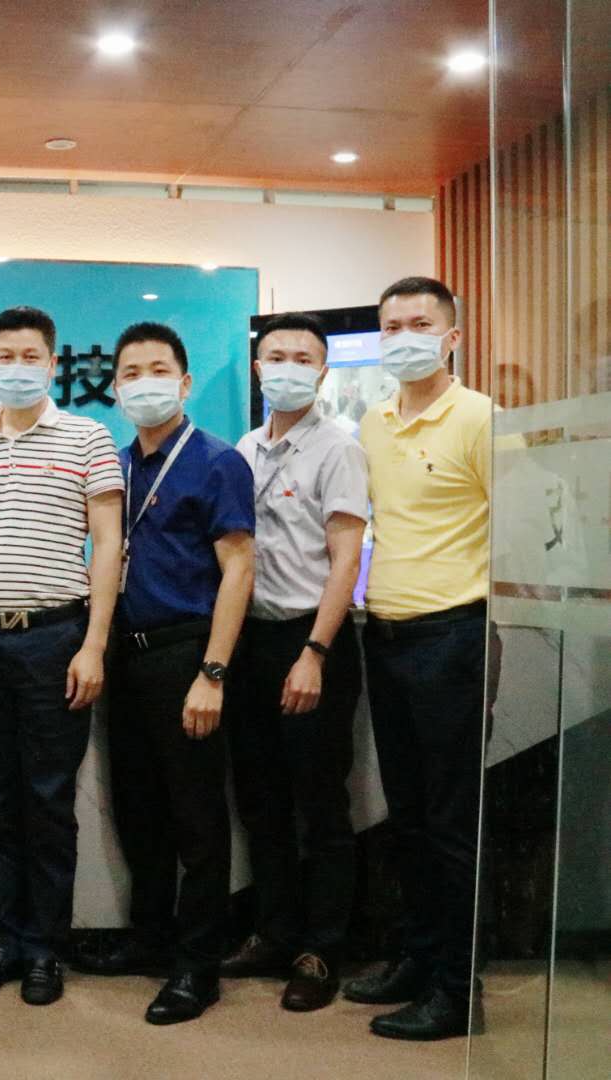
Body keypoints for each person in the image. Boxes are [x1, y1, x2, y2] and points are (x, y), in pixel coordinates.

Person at [0, 306, 124, 1006]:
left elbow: (108, 543)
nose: (17, 367)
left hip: (56, 638)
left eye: (30, 356)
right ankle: (1, 940)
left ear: (52, 362)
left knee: (48, 800)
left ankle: (44, 949)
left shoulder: (88, 437)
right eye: (4, 356)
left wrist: (94, 644)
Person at [77, 321, 255, 1027]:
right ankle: (149, 938)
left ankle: (196, 966)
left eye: (157, 370)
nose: (143, 383)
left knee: (196, 819)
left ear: (183, 383)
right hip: (125, 654)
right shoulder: (115, 467)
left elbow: (238, 568)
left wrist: (213, 672)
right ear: (114, 388)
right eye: (130, 373)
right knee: (138, 809)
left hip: (186, 652)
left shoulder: (216, 461)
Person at [342, 276, 492, 1040]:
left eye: (418, 323)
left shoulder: (480, 419)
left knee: (448, 824)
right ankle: (416, 957)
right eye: (391, 325)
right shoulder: (372, 422)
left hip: (452, 636)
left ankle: (456, 990)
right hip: (386, 634)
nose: (403, 337)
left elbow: (526, 523)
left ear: (450, 337)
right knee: (405, 818)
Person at [220, 312, 368, 1012]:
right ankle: (274, 933)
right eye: (274, 356)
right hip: (251, 643)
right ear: (257, 368)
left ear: (322, 371)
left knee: (320, 803)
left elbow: (345, 560)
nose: (286, 368)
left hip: (312, 642)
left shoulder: (338, 449)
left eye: (302, 358)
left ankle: (321, 948)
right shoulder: (243, 449)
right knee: (261, 802)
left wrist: (314, 653)